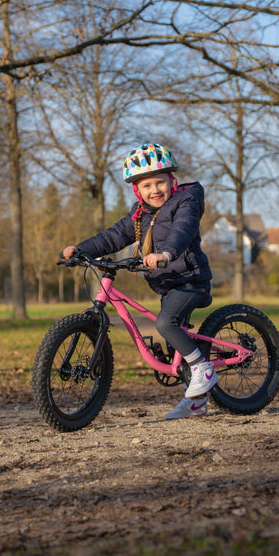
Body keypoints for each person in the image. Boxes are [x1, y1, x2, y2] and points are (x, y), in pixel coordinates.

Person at [61, 143, 217, 420]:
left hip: (190, 281)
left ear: (172, 181)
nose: (154, 190)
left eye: (160, 182)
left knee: (165, 323)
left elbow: (182, 231)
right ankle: (196, 402)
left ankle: (203, 368)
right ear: (137, 190)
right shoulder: (140, 215)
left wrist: (165, 253)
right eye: (146, 186)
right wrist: (80, 249)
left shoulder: (186, 202)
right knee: (174, 344)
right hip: (168, 285)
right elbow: (112, 237)